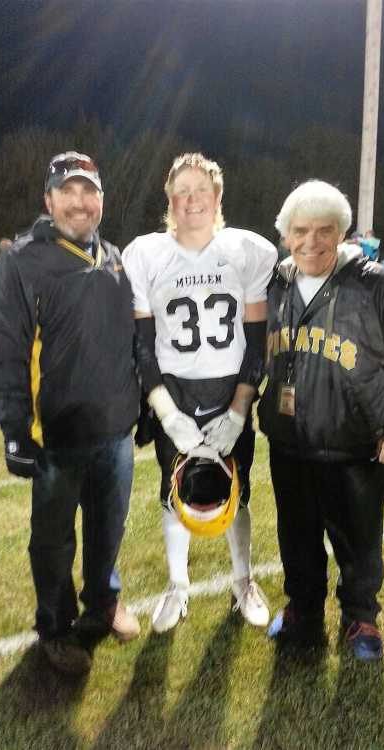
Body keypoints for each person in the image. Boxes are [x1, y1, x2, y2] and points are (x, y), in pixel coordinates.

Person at [0, 151, 141, 675]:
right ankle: (54, 625)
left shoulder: (114, 257)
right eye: (67, 191)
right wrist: (12, 428)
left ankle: (103, 603)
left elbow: (129, 341)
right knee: (52, 539)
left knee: (108, 529)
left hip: (114, 429)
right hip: (56, 434)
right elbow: (1, 349)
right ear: (48, 200)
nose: (78, 201)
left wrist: (140, 406)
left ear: (101, 201)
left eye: (88, 191)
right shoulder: (21, 262)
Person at [258, 180, 384, 660]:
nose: (311, 242)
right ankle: (303, 611)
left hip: (354, 444)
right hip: (290, 442)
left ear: (341, 233)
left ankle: (360, 617)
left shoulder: (375, 282)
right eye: (300, 231)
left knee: (359, 543)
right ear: (285, 235)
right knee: (296, 538)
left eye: (324, 230)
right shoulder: (275, 283)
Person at [122, 152, 277, 633]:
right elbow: (142, 345)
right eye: (182, 192)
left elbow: (256, 342)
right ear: (170, 199)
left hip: (230, 389)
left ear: (218, 197)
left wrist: (239, 409)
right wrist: (165, 411)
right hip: (174, 391)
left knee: (237, 491)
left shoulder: (246, 251)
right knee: (175, 493)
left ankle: (243, 581)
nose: (192, 200)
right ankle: (178, 586)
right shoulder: (147, 254)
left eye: (201, 191)